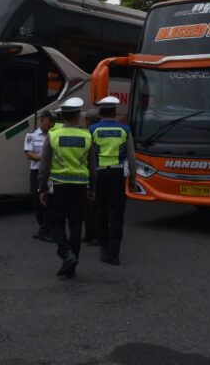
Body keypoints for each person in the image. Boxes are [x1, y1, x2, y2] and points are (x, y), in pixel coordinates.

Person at [38, 97, 97, 279]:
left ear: (62, 116)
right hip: (79, 188)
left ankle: (66, 254)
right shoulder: (87, 136)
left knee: (55, 223)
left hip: (58, 186)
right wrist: (93, 188)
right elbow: (92, 166)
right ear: (78, 116)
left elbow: (45, 165)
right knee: (76, 225)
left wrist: (41, 188)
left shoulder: (53, 135)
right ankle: (72, 266)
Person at [89, 96, 138, 266]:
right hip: (118, 176)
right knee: (116, 216)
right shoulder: (125, 130)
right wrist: (133, 178)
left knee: (100, 213)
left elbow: (89, 157)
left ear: (100, 112)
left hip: (99, 175)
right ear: (115, 112)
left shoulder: (92, 129)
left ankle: (104, 248)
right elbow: (132, 157)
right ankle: (114, 254)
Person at [24, 110, 55, 242]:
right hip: (36, 172)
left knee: (48, 201)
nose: (52, 124)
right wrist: (43, 159)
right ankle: (43, 227)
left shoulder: (54, 135)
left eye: (53, 121)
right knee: (36, 201)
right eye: (50, 121)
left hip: (50, 173)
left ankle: (45, 230)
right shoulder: (32, 135)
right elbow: (28, 154)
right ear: (42, 119)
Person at [82, 108, 101, 247]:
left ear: (88, 120)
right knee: (90, 206)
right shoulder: (97, 131)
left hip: (92, 172)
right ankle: (90, 234)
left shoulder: (89, 133)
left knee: (92, 206)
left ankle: (94, 235)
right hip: (102, 171)